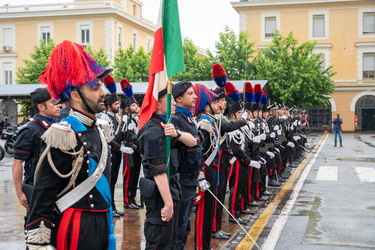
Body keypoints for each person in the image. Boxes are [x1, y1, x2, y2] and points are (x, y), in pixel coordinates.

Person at [24, 40, 116, 249]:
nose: (103, 92)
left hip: (102, 221)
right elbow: (43, 196)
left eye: (100, 85)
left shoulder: (100, 128)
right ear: (75, 95)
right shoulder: (64, 134)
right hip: (76, 226)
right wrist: (40, 243)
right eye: (95, 87)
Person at [137, 89, 196, 249]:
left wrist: (177, 134)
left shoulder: (166, 125)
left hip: (172, 190)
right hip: (160, 197)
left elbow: (193, 142)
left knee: (171, 241)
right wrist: (168, 204)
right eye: (170, 101)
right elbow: (158, 170)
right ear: (157, 104)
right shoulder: (153, 132)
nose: (175, 103)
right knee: (159, 242)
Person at [12, 87, 61, 210]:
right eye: (53, 103)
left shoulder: (56, 126)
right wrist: (19, 193)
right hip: (37, 188)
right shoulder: (31, 130)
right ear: (41, 107)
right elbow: (17, 162)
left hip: (55, 187)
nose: (58, 106)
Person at [170, 81, 202, 250]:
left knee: (184, 227)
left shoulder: (187, 119)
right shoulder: (176, 119)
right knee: (179, 228)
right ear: (179, 99)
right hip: (182, 182)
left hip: (190, 180)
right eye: (190, 93)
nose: (195, 96)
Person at [97, 74, 125, 217]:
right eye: (115, 104)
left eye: (118, 104)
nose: (118, 106)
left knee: (114, 180)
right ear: (108, 106)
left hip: (117, 151)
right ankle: (109, 207)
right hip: (110, 152)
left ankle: (112, 206)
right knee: (109, 180)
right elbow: (107, 138)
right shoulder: (104, 118)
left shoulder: (115, 117)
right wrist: (119, 147)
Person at [120, 79, 142, 209]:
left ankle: (132, 198)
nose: (136, 107)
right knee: (128, 176)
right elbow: (123, 134)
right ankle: (127, 200)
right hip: (129, 149)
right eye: (133, 106)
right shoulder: (124, 119)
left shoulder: (135, 118)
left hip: (137, 149)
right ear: (127, 108)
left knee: (135, 175)